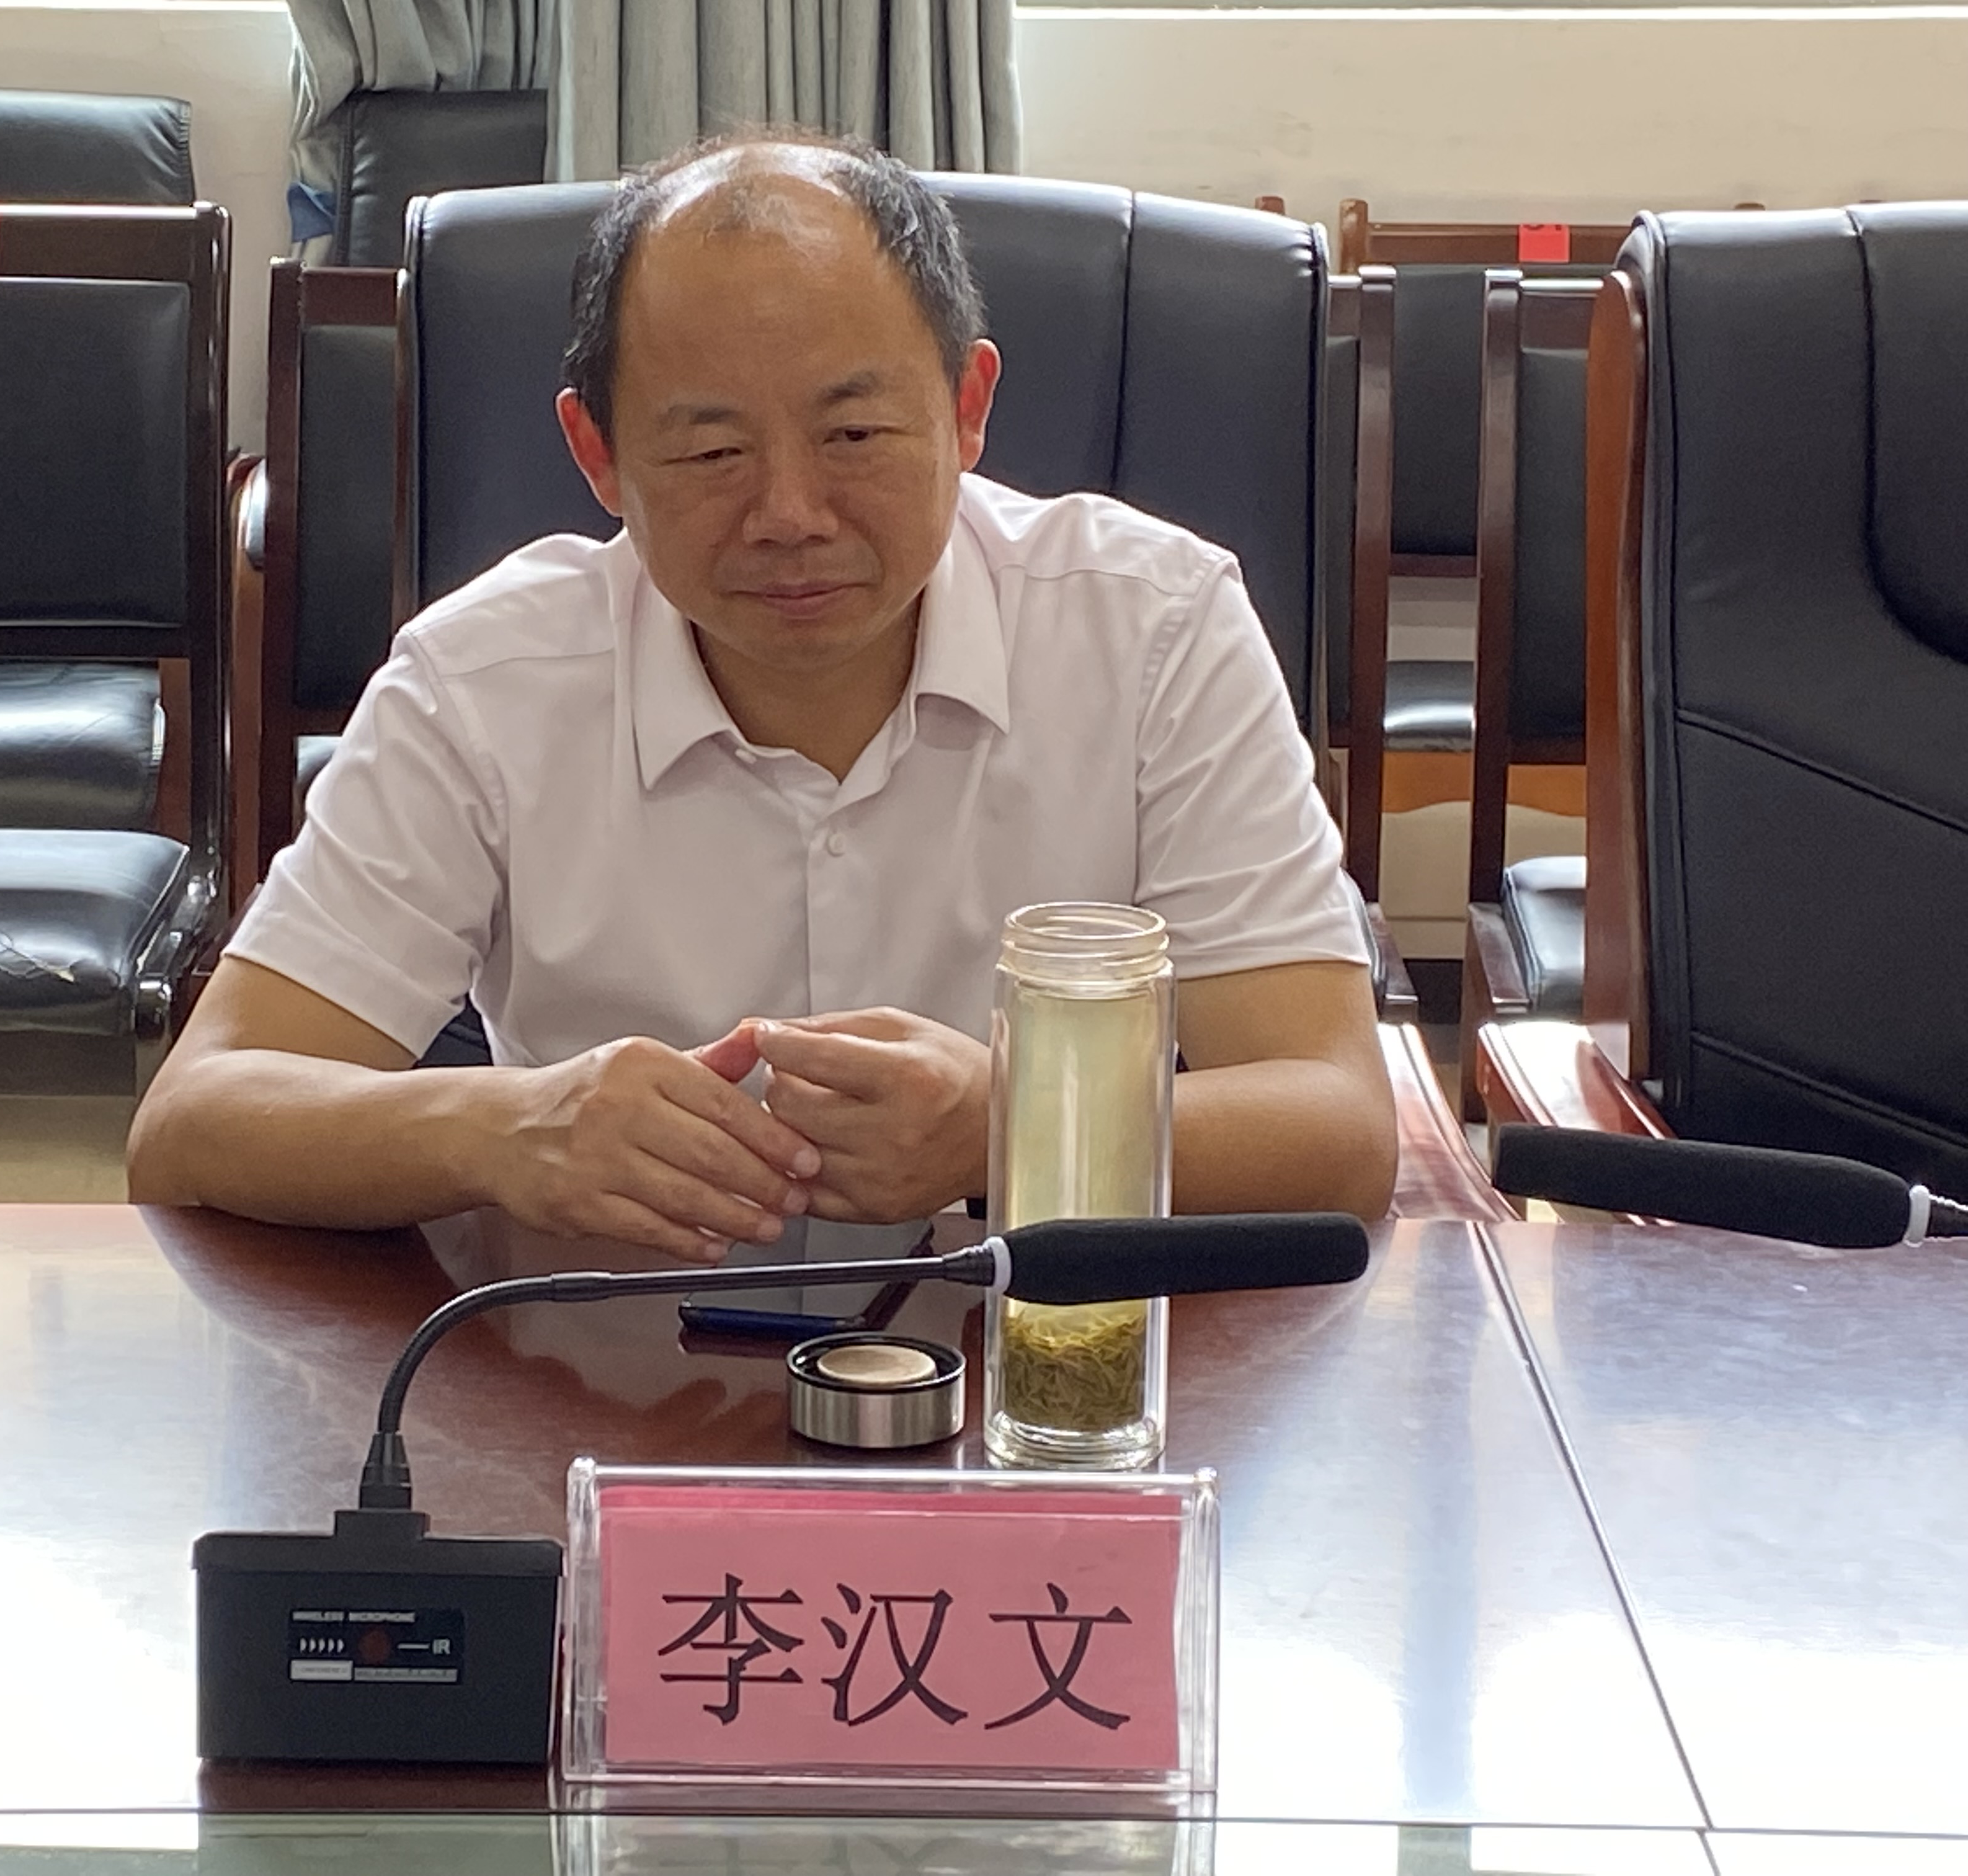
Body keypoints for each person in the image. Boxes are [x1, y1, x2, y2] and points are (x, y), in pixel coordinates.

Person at [130, 132, 1397, 1253]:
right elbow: (194, 1121)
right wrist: (506, 1127)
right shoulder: (484, 681)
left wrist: (1004, 1126)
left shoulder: (1156, 629)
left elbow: (1337, 1123)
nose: (790, 514)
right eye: (712, 449)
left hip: (1041, 1374)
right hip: (593, 1384)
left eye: (854, 435)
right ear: (598, 456)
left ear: (968, 409)